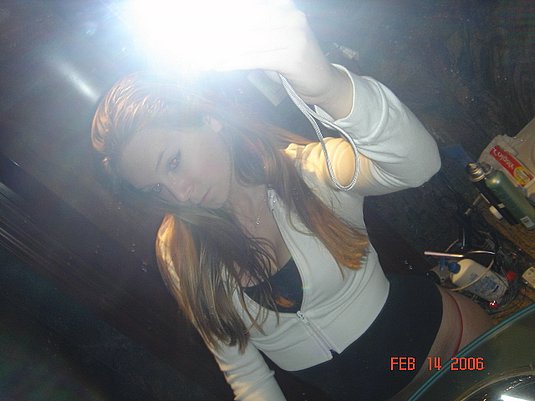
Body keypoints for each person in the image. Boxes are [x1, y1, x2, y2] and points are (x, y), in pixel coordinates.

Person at [91, 2, 493, 400]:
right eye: (156, 188)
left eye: (174, 162)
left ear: (208, 119)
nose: (179, 194)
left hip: (456, 349)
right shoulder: (177, 248)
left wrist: (330, 89)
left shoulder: (306, 172)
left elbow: (418, 164)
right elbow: (244, 371)